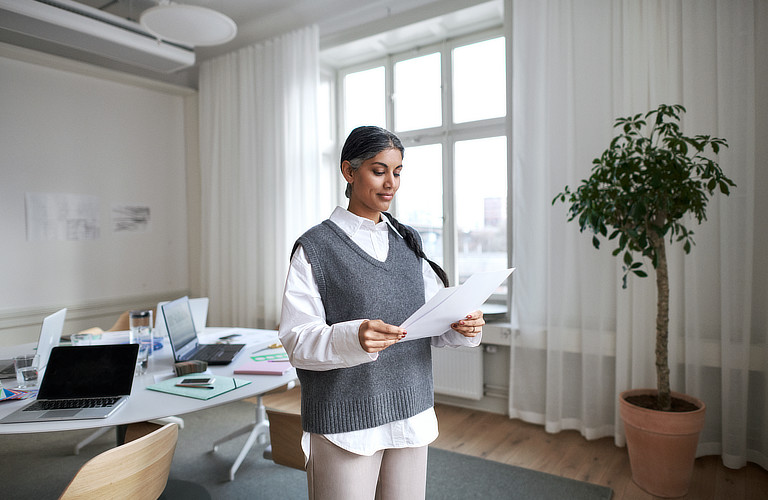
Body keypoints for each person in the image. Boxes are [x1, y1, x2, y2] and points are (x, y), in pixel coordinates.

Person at [278, 125, 485, 500]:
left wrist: (462, 325)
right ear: (349, 171)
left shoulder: (408, 242)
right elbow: (297, 341)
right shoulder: (315, 248)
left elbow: (432, 320)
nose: (391, 183)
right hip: (345, 423)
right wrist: (353, 337)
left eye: (398, 172)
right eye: (379, 171)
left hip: (411, 412)